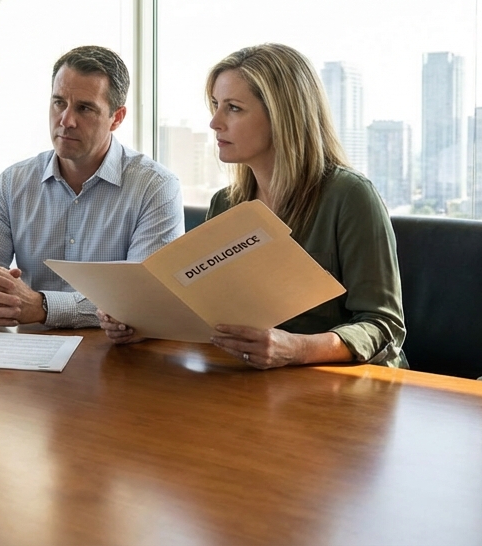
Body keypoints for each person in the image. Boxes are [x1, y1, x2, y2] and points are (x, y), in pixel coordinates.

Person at [100, 43, 407, 368]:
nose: (215, 122)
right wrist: (145, 325)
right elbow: (209, 313)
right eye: (216, 105)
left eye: (233, 108)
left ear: (282, 116)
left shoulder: (351, 196)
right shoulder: (226, 203)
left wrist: (295, 348)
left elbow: (384, 327)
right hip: (255, 381)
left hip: (344, 387)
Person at [0, 46, 183, 329]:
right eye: (59, 103)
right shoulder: (15, 182)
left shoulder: (155, 187)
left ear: (117, 118)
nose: (66, 121)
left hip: (115, 360)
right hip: (27, 358)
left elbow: (144, 298)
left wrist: (42, 306)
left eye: (84, 108)